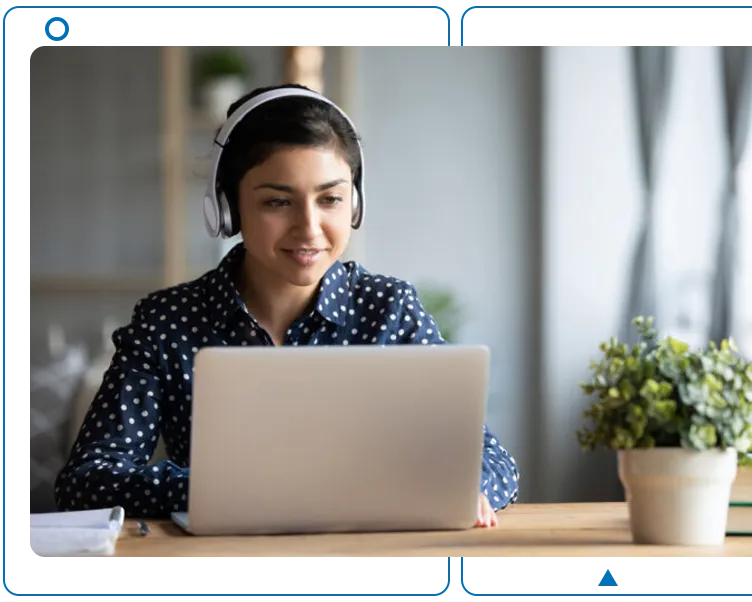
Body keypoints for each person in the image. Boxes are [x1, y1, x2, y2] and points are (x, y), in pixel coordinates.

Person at [54, 84, 520, 528]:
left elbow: (494, 462)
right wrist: (223, 490)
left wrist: (465, 487)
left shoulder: (390, 309)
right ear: (227, 208)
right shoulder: (168, 321)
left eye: (331, 199)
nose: (310, 228)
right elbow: (87, 481)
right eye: (278, 201)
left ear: (354, 204)